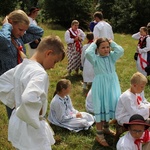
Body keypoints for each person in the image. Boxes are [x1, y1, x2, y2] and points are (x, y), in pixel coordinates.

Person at [0, 35, 65, 150]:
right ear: (48, 53)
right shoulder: (40, 73)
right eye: (54, 61)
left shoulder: (22, 66)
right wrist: (37, 112)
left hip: (18, 121)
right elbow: (29, 98)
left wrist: (15, 101)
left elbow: (3, 82)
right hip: (31, 127)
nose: (53, 66)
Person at [0, 9, 44, 119]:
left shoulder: (18, 38)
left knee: (24, 112)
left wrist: (24, 25)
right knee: (15, 114)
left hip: (21, 79)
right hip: (10, 84)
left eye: (24, 30)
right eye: (20, 29)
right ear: (11, 23)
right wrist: (7, 25)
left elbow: (39, 32)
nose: (22, 33)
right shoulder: (3, 38)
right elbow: (4, 41)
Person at [85, 38, 124, 146]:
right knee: (101, 106)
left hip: (112, 84)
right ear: (97, 49)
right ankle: (99, 134)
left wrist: (112, 42)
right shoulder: (95, 59)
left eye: (107, 47)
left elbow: (120, 51)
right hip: (101, 86)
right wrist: (94, 43)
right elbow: (88, 52)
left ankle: (106, 128)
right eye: (103, 47)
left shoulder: (111, 56)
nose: (106, 49)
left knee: (109, 104)